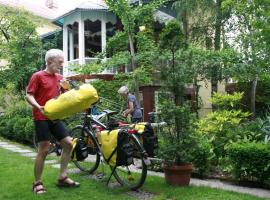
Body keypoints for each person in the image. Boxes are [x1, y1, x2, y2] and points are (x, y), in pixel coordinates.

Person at [26, 49, 79, 194]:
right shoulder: (37, 76)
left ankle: (62, 177)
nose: (62, 64)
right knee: (43, 149)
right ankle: (37, 183)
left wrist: (67, 91)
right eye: (60, 62)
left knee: (68, 143)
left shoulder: (60, 77)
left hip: (55, 117)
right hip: (41, 117)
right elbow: (29, 96)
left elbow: (65, 97)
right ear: (50, 61)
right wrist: (38, 106)